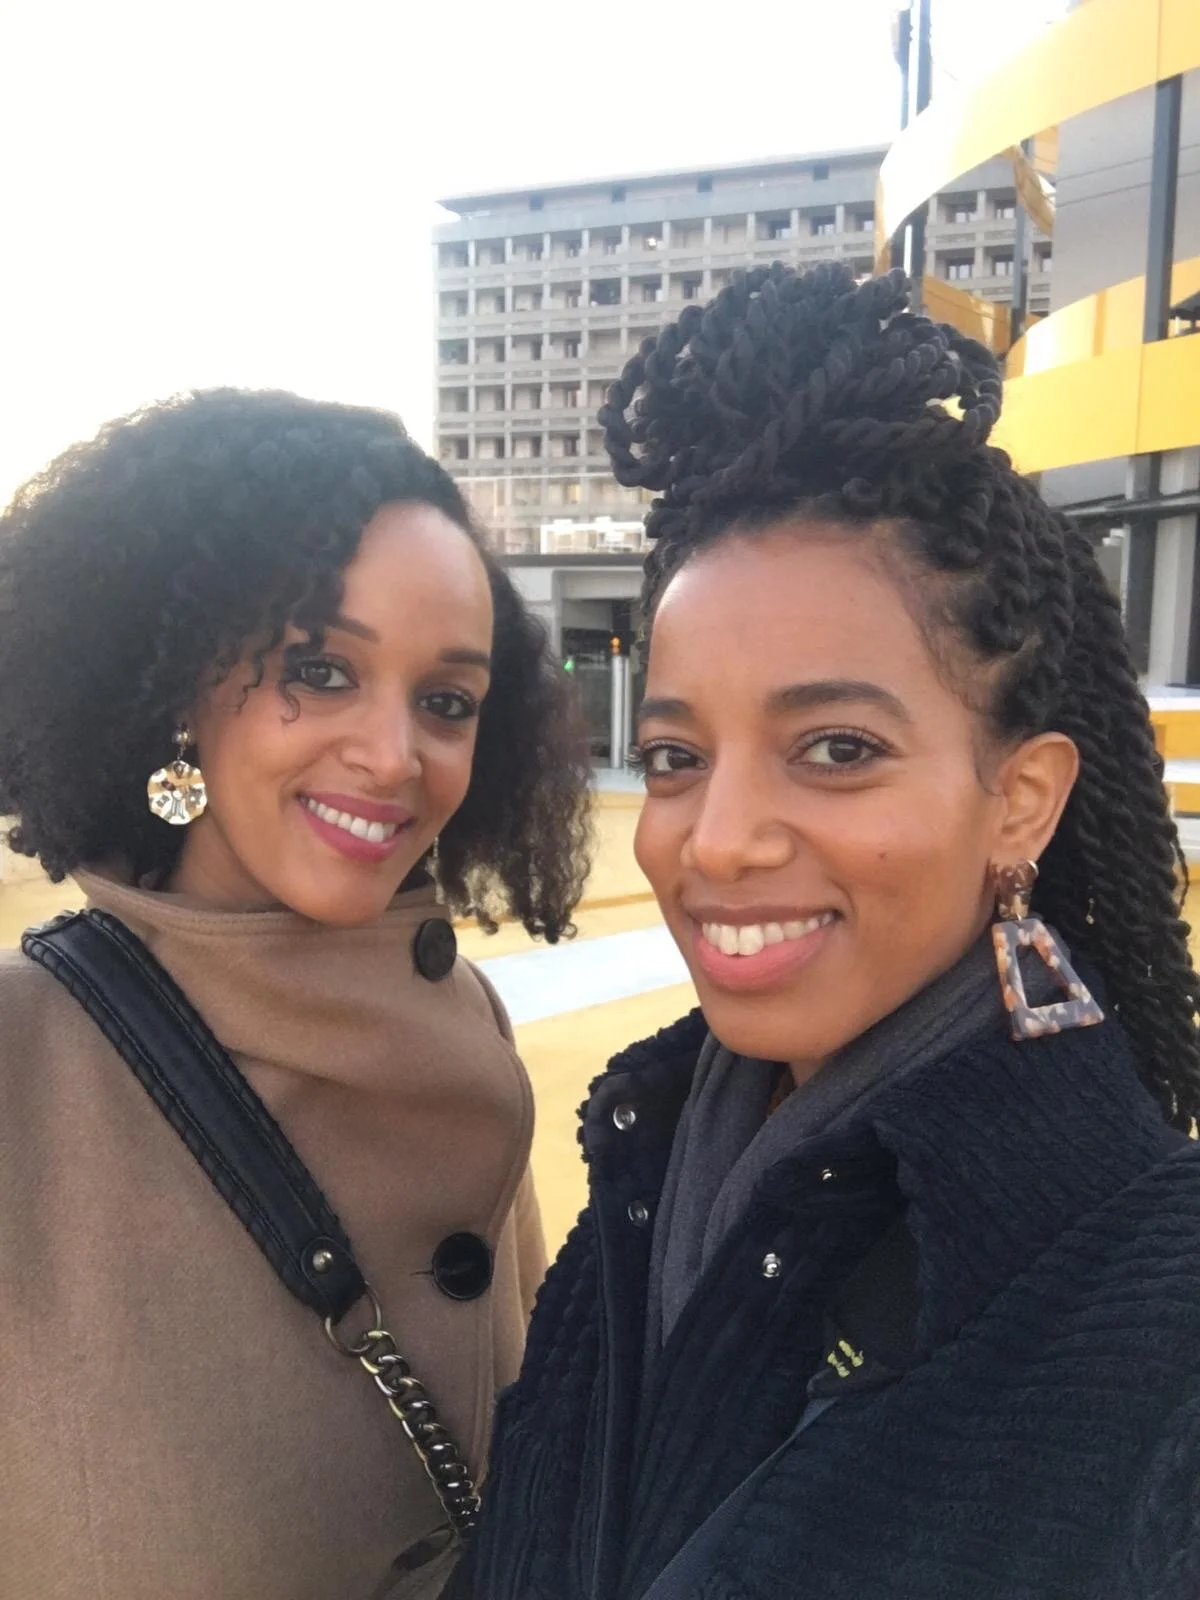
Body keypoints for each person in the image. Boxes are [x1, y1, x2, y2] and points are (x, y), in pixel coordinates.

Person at [456, 264, 1200, 1600]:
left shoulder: (1156, 1309)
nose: (717, 840)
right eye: (676, 757)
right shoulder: (644, 1161)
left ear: (1020, 801)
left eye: (837, 748)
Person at [0, 389, 590, 1600]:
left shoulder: (462, 1024)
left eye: (446, 700)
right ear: (179, 689)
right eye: (320, 670)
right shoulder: (23, 1059)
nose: (393, 755)